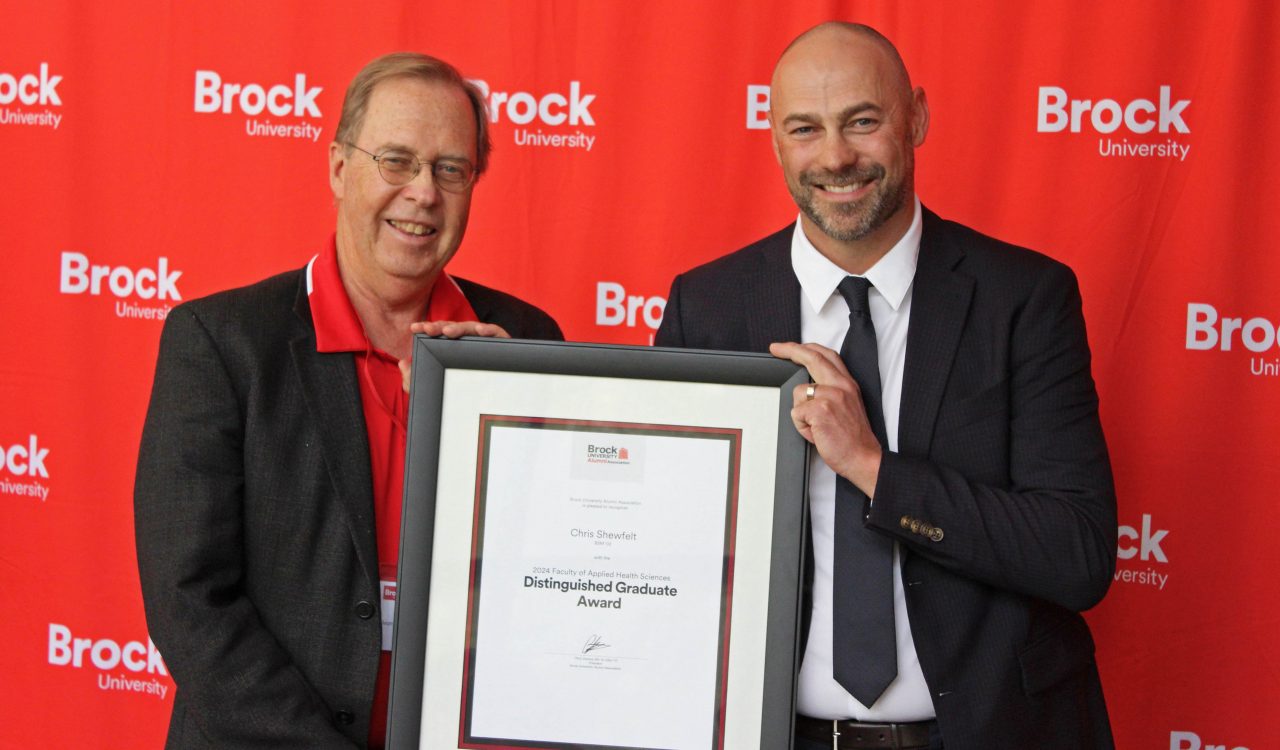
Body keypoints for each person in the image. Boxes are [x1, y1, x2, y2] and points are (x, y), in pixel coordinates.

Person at [656, 22, 1116, 750]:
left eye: (862, 122)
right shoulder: (707, 306)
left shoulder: (1024, 299)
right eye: (805, 128)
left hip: (988, 734)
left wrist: (873, 468)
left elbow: (1077, 554)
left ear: (918, 118)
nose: (836, 157)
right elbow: (660, 540)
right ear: (775, 140)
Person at [134, 52, 562, 748]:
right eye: (396, 160)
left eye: (451, 168)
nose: (423, 192)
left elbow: (556, 565)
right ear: (339, 168)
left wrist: (497, 410)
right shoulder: (222, 343)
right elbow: (190, 604)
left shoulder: (524, 341)